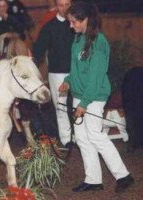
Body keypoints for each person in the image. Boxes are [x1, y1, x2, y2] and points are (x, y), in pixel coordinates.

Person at [59, 1, 134, 193]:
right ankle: (93, 179)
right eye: (70, 22)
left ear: (86, 20)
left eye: (74, 22)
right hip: (79, 95)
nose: (71, 25)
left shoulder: (99, 42)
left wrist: (84, 103)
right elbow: (76, 69)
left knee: (95, 135)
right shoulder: (77, 39)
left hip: (93, 97)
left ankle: (123, 175)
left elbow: (95, 78)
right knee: (82, 138)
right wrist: (68, 80)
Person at [33, 0, 74, 147]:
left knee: (78, 104)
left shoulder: (77, 24)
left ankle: (79, 135)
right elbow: (38, 50)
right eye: (61, 5)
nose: (65, 8)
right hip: (58, 73)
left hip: (77, 72)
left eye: (68, 5)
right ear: (57, 7)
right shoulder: (49, 27)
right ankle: (66, 139)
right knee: (61, 106)